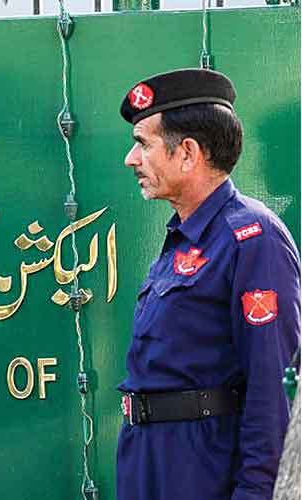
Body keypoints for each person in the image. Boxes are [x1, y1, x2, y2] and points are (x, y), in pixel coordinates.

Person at [116, 68, 300, 500]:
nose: (131, 159)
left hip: (200, 470)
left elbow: (272, 388)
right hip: (148, 463)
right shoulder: (184, 238)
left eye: (143, 143)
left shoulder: (252, 238)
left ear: (187, 153)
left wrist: (255, 493)